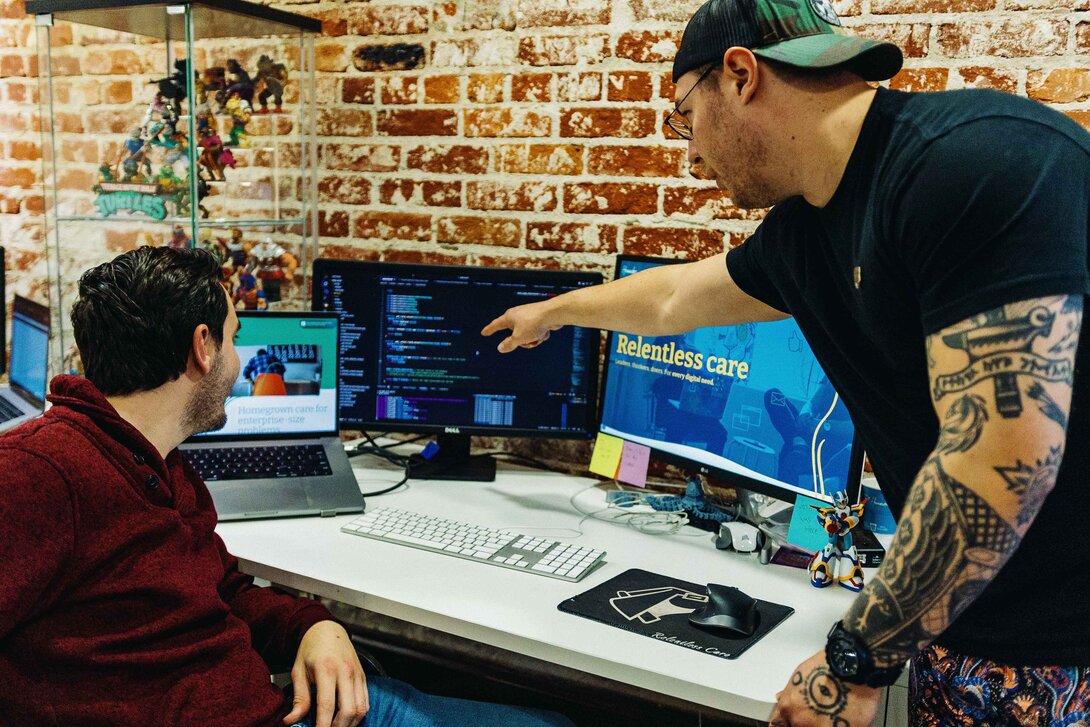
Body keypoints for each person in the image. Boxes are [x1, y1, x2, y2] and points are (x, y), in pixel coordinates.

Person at [482, 0, 1089, 723]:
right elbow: (676, 297)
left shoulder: (979, 163)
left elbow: (1003, 461)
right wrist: (554, 310)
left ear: (739, 75)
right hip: (955, 624)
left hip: (1064, 653)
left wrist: (854, 661)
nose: (689, 152)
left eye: (684, 116)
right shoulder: (806, 231)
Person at [0, 246, 574, 727]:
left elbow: (219, 591)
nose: (239, 360)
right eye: (234, 337)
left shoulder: (158, 462)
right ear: (203, 347)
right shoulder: (38, 473)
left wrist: (313, 624)